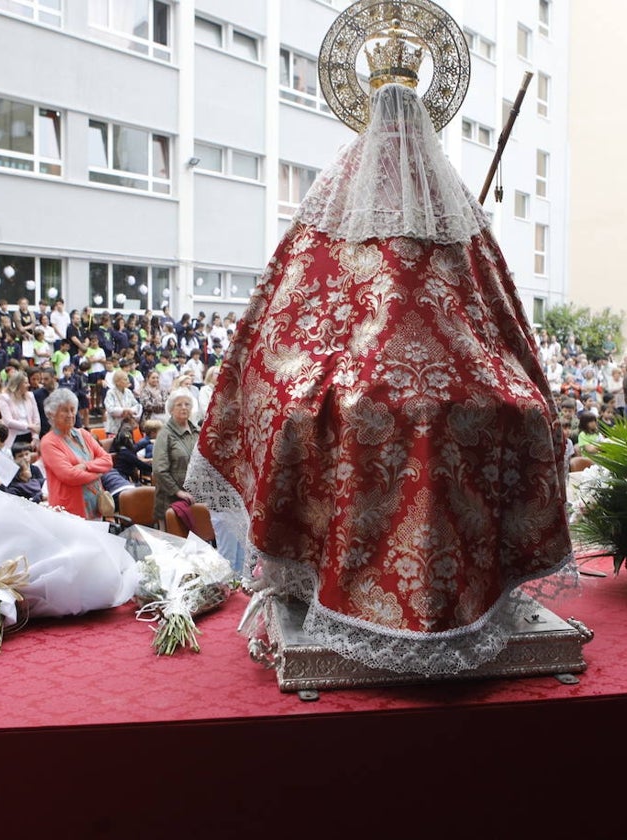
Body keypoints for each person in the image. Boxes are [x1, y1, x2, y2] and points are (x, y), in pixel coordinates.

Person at [188, 61, 573, 675]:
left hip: (396, 391)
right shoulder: (362, 224)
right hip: (427, 392)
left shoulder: (453, 230)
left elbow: (274, 331)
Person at [39, 388, 113, 519]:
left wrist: (86, 467)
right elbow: (70, 476)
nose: (70, 414)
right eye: (64, 410)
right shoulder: (48, 443)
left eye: (72, 409)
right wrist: (98, 473)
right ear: (52, 414)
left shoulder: (83, 434)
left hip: (96, 506)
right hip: (70, 510)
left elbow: (107, 460)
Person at [153, 390, 199, 524]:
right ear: (171, 409)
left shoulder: (196, 432)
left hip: (194, 499)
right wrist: (177, 491)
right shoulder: (165, 434)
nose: (184, 407)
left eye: (187, 404)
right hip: (171, 501)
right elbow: (159, 470)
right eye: (179, 404)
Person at [0, 370, 39, 450]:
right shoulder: (5, 398)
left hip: (30, 436)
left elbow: (36, 419)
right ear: (18, 384)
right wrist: (28, 426)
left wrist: (35, 437)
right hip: (13, 438)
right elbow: (8, 421)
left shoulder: (30, 396)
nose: (29, 385)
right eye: (26, 383)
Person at [103, 368, 141, 435]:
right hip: (114, 427)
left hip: (127, 426)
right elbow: (110, 409)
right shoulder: (110, 393)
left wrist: (131, 410)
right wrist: (123, 410)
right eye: (125, 379)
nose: (128, 381)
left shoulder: (128, 392)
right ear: (117, 382)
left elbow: (137, 405)